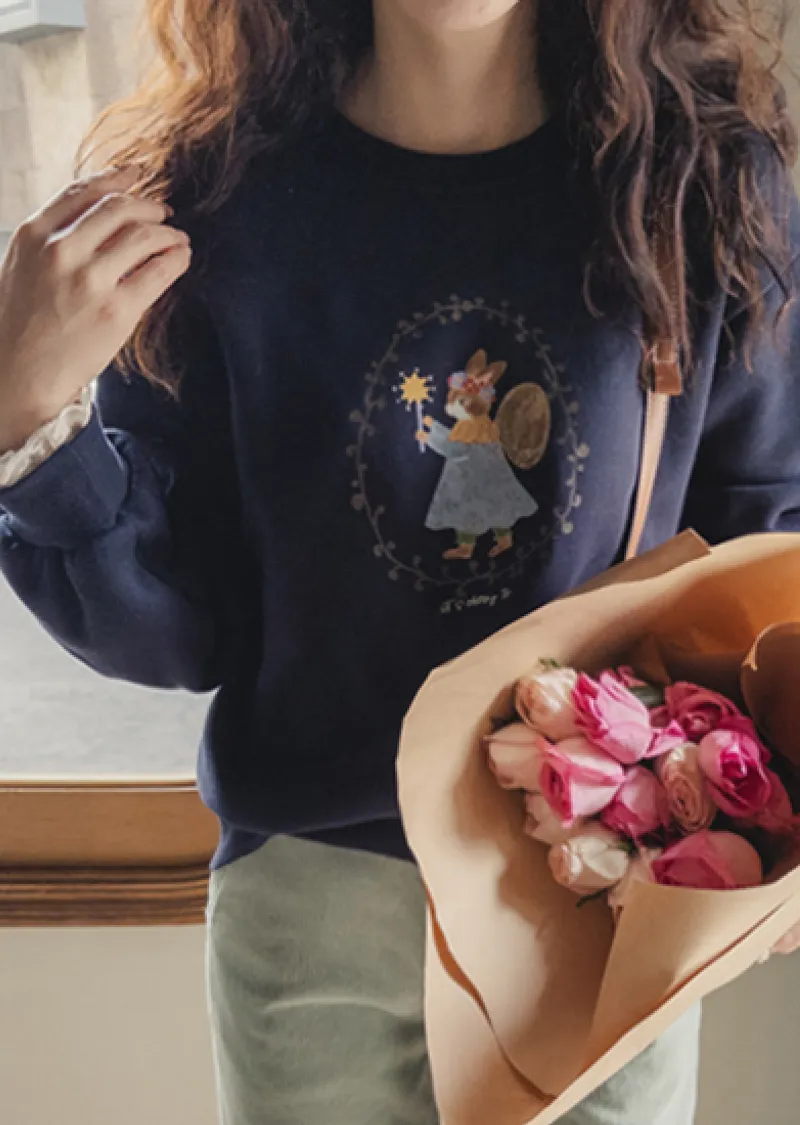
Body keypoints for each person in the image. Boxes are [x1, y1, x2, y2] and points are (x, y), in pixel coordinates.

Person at [1, 1, 799, 1122]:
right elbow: (182, 628)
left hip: (605, 894)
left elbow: (762, 553)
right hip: (313, 903)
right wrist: (29, 418)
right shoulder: (203, 202)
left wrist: (764, 825)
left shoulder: (696, 180)